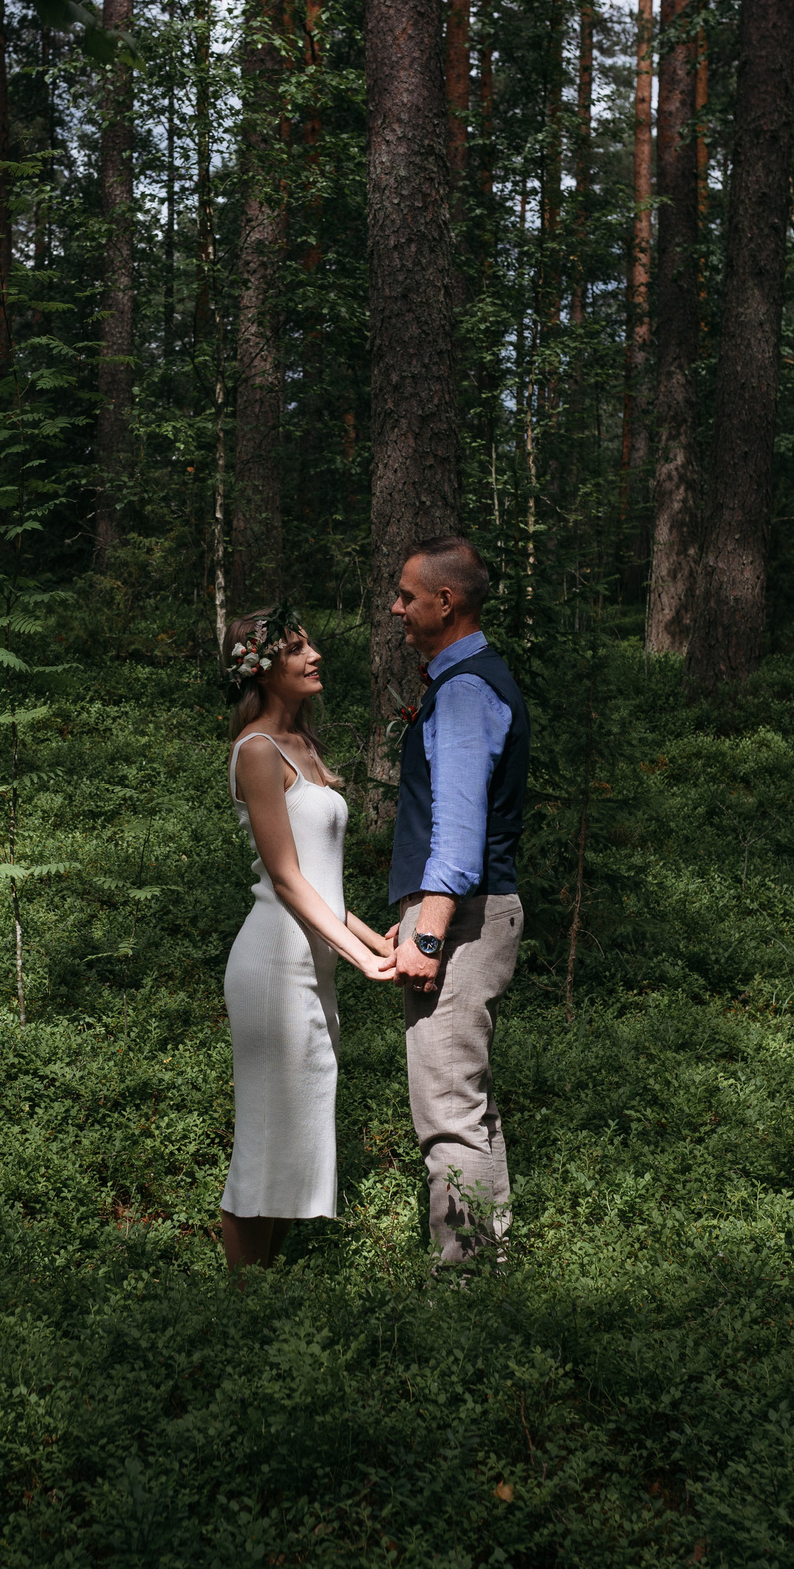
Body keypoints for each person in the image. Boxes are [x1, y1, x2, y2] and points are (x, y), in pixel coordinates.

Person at [217, 602, 400, 1270]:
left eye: (310, 641)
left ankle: (266, 1293)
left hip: (312, 965)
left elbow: (322, 890)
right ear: (262, 670)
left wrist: (377, 943)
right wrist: (361, 958)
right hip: (273, 967)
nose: (314, 653)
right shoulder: (258, 751)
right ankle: (244, 1314)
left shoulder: (306, 746)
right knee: (263, 1145)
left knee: (297, 1145)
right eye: (296, 648)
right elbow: (289, 881)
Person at [385, 537, 528, 1265]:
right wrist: (414, 911)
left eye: (407, 595)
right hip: (463, 913)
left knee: (447, 1112)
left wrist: (430, 934)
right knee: (470, 1101)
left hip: (464, 920)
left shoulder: (467, 689)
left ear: (447, 602)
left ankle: (463, 1282)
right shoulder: (468, 680)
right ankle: (491, 1258)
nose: (396, 606)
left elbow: (460, 833)